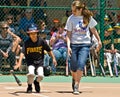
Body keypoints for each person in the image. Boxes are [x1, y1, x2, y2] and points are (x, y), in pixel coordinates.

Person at [64, 1, 102, 95]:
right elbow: (68, 34)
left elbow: (93, 29)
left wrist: (99, 40)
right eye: (72, 10)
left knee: (81, 64)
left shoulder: (88, 17)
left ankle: (76, 85)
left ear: (80, 9)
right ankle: (74, 78)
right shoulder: (71, 19)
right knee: (73, 67)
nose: (72, 12)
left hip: (85, 44)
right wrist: (68, 46)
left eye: (74, 10)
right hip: (74, 45)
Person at [14, 23, 57, 93]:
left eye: (34, 33)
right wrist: (19, 63)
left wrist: (54, 58)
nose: (33, 35)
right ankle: (29, 86)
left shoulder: (41, 41)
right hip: (30, 62)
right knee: (31, 74)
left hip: (39, 62)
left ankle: (36, 82)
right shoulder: (27, 42)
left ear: (37, 33)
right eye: (31, 34)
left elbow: (49, 50)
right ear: (29, 34)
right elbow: (22, 53)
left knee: (40, 76)